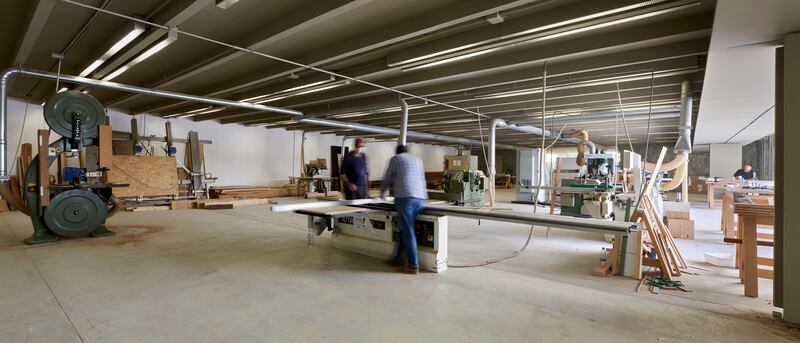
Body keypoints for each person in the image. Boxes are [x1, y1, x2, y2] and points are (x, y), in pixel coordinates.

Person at [381, 145, 428, 275]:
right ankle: (397, 258)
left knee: (408, 231)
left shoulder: (395, 159)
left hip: (406, 198)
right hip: (421, 199)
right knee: (405, 229)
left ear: (397, 152)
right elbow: (422, 179)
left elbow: (387, 178)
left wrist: (382, 194)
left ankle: (413, 265)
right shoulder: (417, 159)